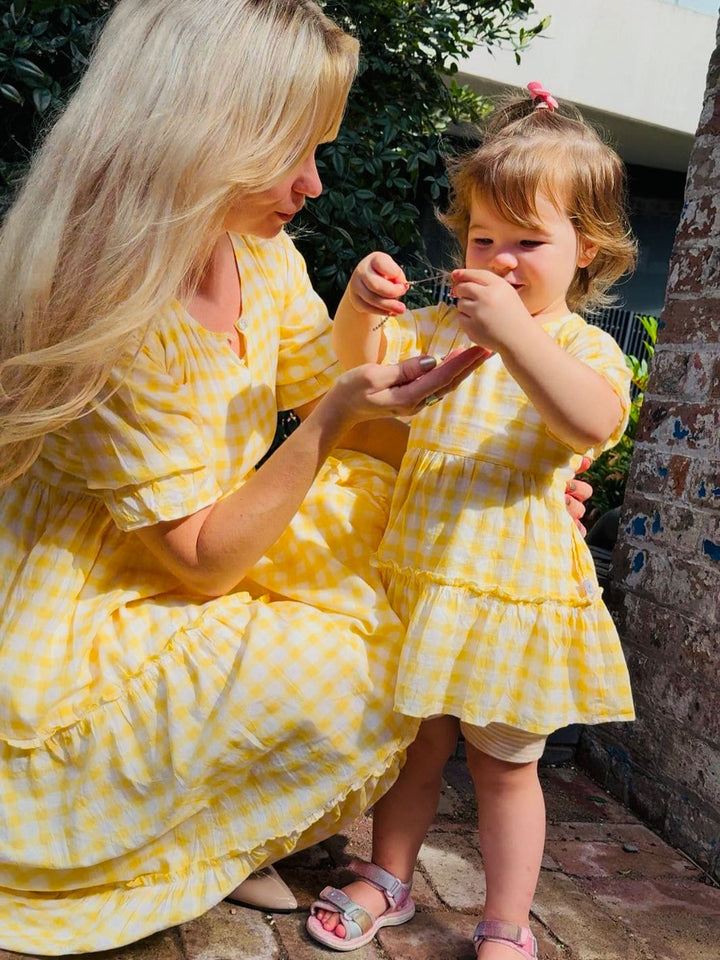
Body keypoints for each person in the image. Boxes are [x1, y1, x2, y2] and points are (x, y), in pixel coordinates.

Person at [0, 4, 591, 947]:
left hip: (223, 544)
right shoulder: (99, 302)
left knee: (398, 589)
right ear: (201, 136)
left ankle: (204, 822)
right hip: (98, 599)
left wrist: (506, 480)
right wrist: (333, 417)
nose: (315, 184)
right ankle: (164, 833)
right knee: (360, 660)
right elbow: (199, 554)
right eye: (294, 152)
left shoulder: (256, 250)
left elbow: (331, 383)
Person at [307, 83, 637, 957]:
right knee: (412, 750)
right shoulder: (445, 328)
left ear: (587, 249)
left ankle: (505, 924)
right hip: (420, 579)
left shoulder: (578, 347)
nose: (500, 261)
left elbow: (591, 421)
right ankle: (388, 876)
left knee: (505, 768)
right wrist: (359, 305)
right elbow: (362, 372)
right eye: (483, 240)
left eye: (529, 242)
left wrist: (514, 336)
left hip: (511, 595)